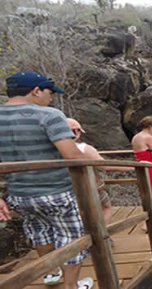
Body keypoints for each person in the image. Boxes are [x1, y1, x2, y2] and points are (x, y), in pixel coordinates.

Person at [0, 71, 94, 289]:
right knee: (70, 236)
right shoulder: (48, 115)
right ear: (36, 90)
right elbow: (72, 155)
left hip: (19, 195)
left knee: (39, 231)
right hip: (55, 190)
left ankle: (51, 274)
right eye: (49, 92)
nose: (50, 98)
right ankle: (71, 285)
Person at [67, 118, 133, 225]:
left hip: (67, 190)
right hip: (91, 188)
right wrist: (133, 167)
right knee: (105, 208)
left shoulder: (53, 150)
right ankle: (102, 237)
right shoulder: (84, 149)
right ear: (76, 132)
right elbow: (104, 166)